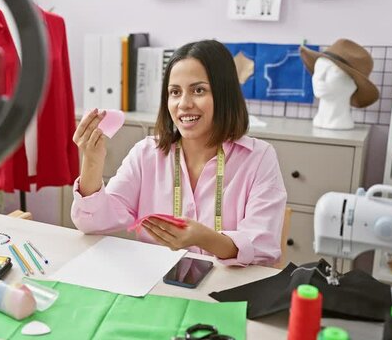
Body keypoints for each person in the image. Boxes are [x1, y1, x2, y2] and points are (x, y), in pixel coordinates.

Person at [71, 40, 287, 266]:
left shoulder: (259, 158)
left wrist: (204, 238)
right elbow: (92, 224)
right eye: (175, 92)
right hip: (158, 287)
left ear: (225, 94)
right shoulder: (146, 153)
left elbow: (263, 248)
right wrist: (92, 162)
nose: (183, 104)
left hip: (226, 291)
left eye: (199, 90)